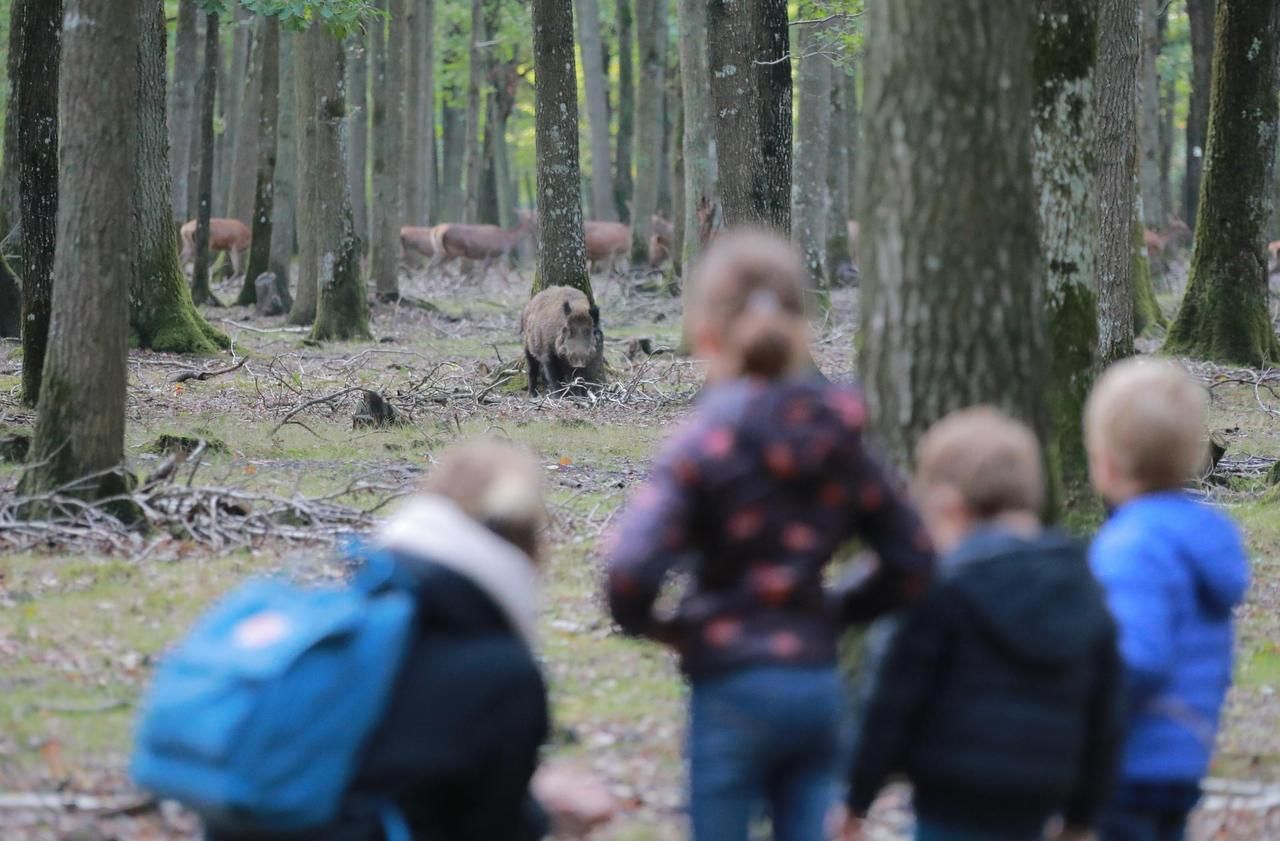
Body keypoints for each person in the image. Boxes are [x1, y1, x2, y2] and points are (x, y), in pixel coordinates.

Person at [604, 229, 934, 841]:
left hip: (728, 688)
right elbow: (914, 558)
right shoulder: (844, 435)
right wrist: (836, 611)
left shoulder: (703, 443)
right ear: (803, 328)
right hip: (814, 684)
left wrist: (672, 628)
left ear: (705, 334)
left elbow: (628, 574)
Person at [207, 439, 612, 841]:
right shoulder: (502, 673)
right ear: (525, 539)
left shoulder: (333, 622)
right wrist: (547, 817)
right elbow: (489, 826)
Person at [837, 408, 1124, 841]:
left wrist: (856, 798)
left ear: (947, 508)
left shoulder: (941, 591)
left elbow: (892, 698)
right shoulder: (1081, 585)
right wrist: (1083, 816)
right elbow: (1108, 711)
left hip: (952, 795)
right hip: (1041, 793)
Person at [1085, 360, 1250, 841]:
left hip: (1131, 757)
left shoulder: (1131, 545)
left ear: (1106, 463)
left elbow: (1138, 658)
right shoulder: (1207, 536)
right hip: (1185, 752)